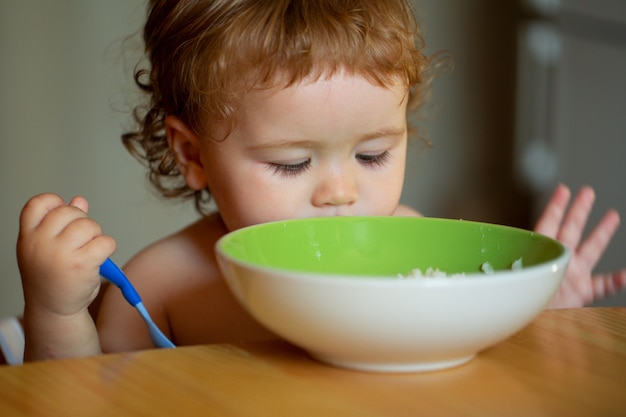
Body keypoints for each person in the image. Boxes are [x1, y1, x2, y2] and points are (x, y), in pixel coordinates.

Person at [15, 0, 626, 362]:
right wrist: (55, 311)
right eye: (291, 163)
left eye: (373, 154)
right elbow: (85, 397)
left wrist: (539, 318)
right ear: (192, 153)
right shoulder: (163, 284)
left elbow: (475, 373)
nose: (340, 192)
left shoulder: (416, 256)